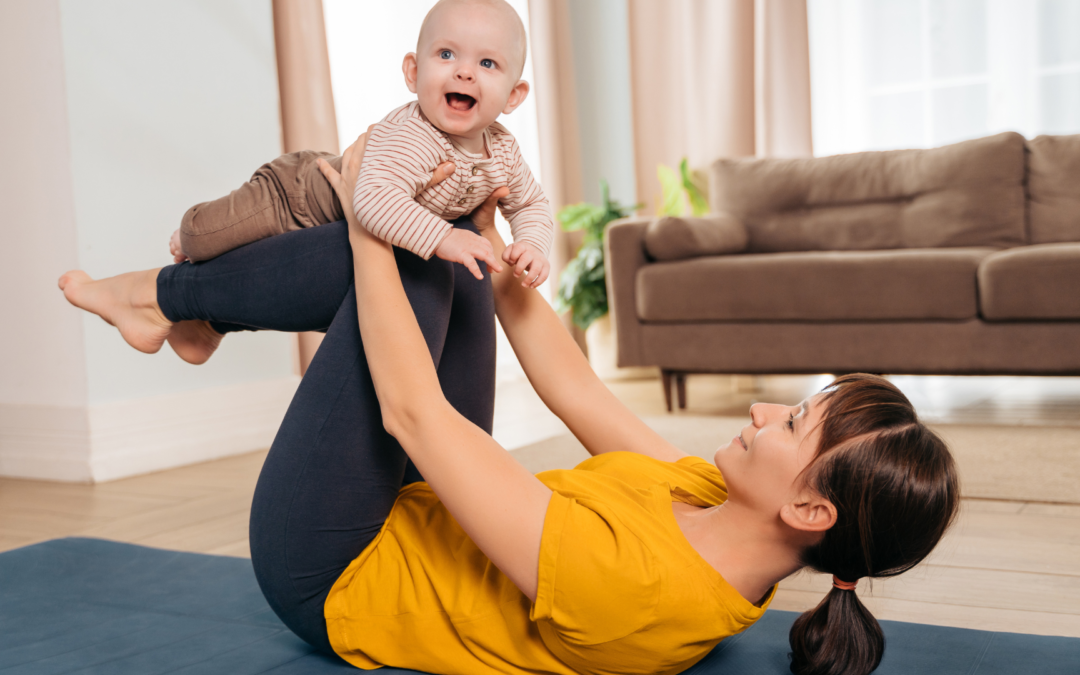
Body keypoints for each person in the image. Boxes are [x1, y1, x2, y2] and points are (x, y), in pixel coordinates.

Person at [58, 131, 960, 675]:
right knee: (449, 261)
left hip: (335, 572)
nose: (765, 413)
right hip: (413, 510)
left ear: (809, 506)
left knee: (409, 263)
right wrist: (488, 232)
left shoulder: (641, 593)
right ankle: (174, 309)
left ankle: (167, 300)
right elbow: (569, 382)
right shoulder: (708, 499)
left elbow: (417, 415)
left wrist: (378, 217)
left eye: (793, 423)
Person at [170, 0, 552, 306]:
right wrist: (444, 238)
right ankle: (185, 235)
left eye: (487, 63)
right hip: (294, 196)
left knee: (251, 272)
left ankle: (205, 324)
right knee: (205, 238)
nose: (464, 73)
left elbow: (530, 203)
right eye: (447, 54)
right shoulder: (412, 134)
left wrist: (532, 245)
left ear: (513, 96)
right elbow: (373, 199)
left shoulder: (502, 150)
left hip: (332, 241)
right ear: (413, 72)